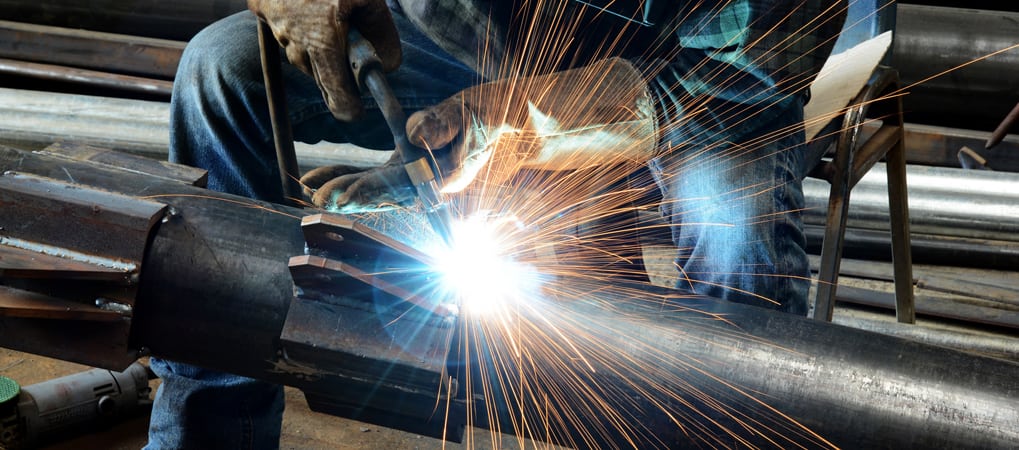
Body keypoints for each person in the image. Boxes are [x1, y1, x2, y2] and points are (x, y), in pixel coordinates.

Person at [144, 1, 847, 448]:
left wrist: (519, 121)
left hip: (696, 80)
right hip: (477, 38)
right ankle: (214, 428)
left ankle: (745, 432)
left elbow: (746, 69)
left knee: (734, 234)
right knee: (221, 68)